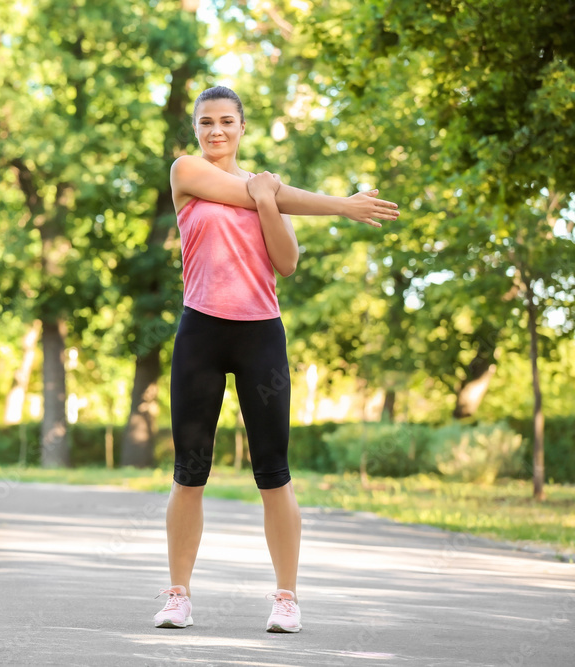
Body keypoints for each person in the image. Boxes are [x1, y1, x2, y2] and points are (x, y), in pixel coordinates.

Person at [152, 86, 399, 634]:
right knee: (189, 471)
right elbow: (248, 192)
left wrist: (270, 200)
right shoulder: (187, 172)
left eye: (226, 122)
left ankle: (286, 598)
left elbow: (286, 262)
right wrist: (342, 205)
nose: (216, 131)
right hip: (202, 334)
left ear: (243, 127)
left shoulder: (269, 190)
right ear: (195, 129)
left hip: (261, 335)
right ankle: (178, 596)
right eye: (206, 121)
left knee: (274, 473)